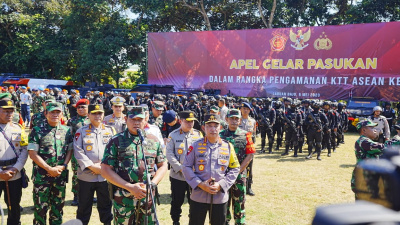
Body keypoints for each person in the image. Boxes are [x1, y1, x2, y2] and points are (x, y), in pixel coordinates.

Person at [101, 107, 167, 224]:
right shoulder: (116, 141)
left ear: (145, 120)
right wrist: (130, 187)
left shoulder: (153, 140)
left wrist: (152, 184)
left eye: (140, 119)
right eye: (133, 119)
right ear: (126, 119)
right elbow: (106, 169)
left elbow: (162, 165)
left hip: (147, 197)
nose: (136, 123)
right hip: (124, 198)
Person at [182, 114, 240, 225]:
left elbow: (235, 168)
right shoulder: (195, 146)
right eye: (209, 126)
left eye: (215, 126)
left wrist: (221, 184)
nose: (212, 129)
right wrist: (200, 184)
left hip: (219, 197)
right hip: (199, 195)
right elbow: (186, 166)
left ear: (220, 128)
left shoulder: (228, 147)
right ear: (204, 128)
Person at [28, 102, 73, 225]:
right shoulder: (37, 130)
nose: (55, 114)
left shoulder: (67, 131)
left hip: (60, 176)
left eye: (57, 112)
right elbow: (32, 154)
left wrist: (63, 166)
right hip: (42, 177)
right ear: (45, 113)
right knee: (40, 209)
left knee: (58, 210)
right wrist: (49, 168)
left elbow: (70, 150)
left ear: (62, 114)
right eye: (52, 112)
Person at [73, 104, 114, 225]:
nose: (97, 116)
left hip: (105, 176)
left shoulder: (110, 131)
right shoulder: (81, 131)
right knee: (83, 207)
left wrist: (102, 167)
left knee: (106, 206)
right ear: (88, 115)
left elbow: (114, 151)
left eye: (100, 113)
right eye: (94, 113)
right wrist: (92, 166)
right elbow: (78, 151)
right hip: (86, 176)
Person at [166, 111, 203, 225]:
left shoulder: (198, 135)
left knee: (195, 201)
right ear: (180, 121)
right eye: (187, 122)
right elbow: (169, 154)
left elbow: (202, 153)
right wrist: (181, 168)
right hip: (178, 175)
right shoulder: (173, 135)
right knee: (177, 201)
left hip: (194, 176)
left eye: (192, 121)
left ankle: (193, 220)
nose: (190, 124)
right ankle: (175, 221)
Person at [219, 109, 255, 225]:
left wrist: (237, 171)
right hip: (222, 175)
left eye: (236, 119)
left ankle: (239, 222)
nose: (234, 121)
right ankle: (225, 221)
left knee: (239, 201)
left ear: (240, 121)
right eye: (232, 118)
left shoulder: (246, 135)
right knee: (223, 201)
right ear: (226, 119)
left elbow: (250, 155)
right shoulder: (220, 135)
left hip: (239, 175)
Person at [0, 94, 28, 225]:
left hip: (14, 173)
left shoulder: (18, 128)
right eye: (5, 111)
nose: (9, 113)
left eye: (11, 111)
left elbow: (24, 150)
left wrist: (16, 168)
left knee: (14, 206)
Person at [351, 119, 384, 200]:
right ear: (364, 130)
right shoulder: (363, 141)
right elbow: (382, 148)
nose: (375, 130)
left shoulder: (366, 141)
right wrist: (395, 142)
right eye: (372, 128)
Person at [67, 98, 90, 206]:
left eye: (83, 107)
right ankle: (76, 195)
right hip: (77, 152)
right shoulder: (72, 121)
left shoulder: (92, 119)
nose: (80, 109)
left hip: (90, 152)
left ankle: (89, 194)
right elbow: (68, 137)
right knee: (77, 173)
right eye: (78, 107)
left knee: (90, 172)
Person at [238, 102, 256, 196]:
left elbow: (254, 133)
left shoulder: (252, 121)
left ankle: (249, 187)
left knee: (249, 168)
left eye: (247, 109)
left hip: (248, 148)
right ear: (240, 109)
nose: (245, 110)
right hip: (239, 147)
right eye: (243, 108)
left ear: (249, 110)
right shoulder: (237, 120)